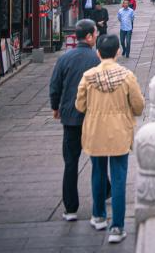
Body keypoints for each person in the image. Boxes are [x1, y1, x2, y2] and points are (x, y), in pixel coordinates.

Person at [75, 33, 146, 244]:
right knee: (118, 179)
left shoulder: (88, 77)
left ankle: (98, 216)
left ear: (97, 52)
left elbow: (79, 105)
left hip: (95, 132)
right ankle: (117, 226)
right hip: (119, 133)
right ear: (117, 51)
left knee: (97, 173)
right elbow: (139, 106)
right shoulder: (126, 76)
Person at [49, 18, 100, 222]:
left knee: (70, 162)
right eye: (95, 33)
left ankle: (70, 208)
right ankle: (102, 199)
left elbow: (55, 85)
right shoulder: (96, 59)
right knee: (98, 160)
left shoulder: (64, 58)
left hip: (70, 117)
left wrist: (55, 106)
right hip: (92, 117)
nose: (96, 36)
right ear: (88, 36)